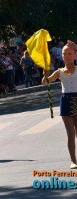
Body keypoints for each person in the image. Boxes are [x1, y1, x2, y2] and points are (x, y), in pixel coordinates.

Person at [42, 41, 77, 169]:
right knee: (70, 133)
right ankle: (73, 160)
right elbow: (45, 83)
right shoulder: (59, 72)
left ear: (75, 55)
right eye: (64, 54)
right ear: (61, 56)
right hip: (66, 101)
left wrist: (76, 47)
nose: (67, 56)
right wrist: (45, 75)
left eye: (70, 53)